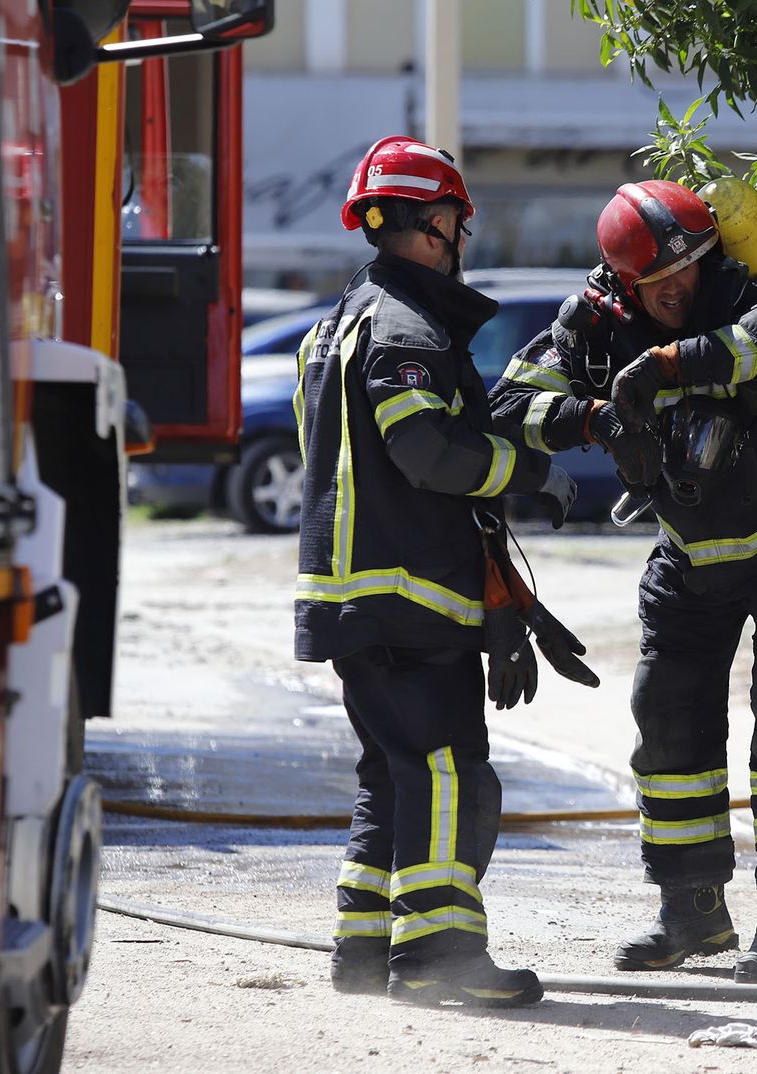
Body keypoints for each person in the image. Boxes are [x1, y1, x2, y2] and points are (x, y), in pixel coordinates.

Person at [489, 179, 757, 984]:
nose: (679, 288)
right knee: (666, 715)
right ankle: (692, 914)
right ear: (624, 281)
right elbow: (511, 402)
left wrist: (655, 371)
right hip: (692, 556)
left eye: (689, 269)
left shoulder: (741, 284)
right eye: (660, 281)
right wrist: (596, 420)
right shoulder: (593, 319)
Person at [294, 135, 577, 1007]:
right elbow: (424, 452)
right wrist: (528, 472)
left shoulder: (335, 324)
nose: (462, 235)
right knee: (453, 772)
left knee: (392, 772)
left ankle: (363, 951)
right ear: (426, 225)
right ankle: (440, 959)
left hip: (353, 601)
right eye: (455, 219)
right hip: (408, 597)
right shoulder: (406, 327)